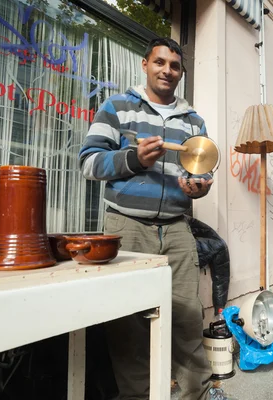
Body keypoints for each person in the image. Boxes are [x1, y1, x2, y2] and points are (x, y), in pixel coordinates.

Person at [79, 37, 232, 400]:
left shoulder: (194, 121)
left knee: (187, 318)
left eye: (175, 66)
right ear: (145, 64)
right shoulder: (117, 107)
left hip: (178, 228)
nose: (167, 70)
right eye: (160, 62)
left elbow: (205, 170)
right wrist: (134, 159)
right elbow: (88, 162)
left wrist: (201, 187)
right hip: (126, 226)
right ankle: (138, 396)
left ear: (181, 72)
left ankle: (191, 394)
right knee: (128, 325)